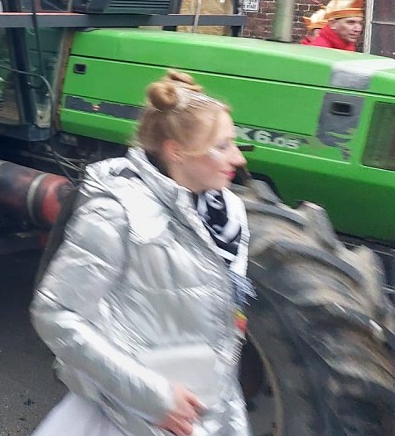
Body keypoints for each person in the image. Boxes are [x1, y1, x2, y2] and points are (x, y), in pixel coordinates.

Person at [30, 70, 252, 436]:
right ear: (176, 151)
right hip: (124, 417)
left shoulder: (227, 215)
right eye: (223, 146)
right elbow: (55, 314)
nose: (239, 158)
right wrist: (155, 398)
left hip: (201, 414)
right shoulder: (117, 212)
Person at [301, 0, 365, 51]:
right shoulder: (318, 50)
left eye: (360, 23)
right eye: (350, 22)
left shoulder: (347, 47)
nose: (358, 29)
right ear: (333, 24)